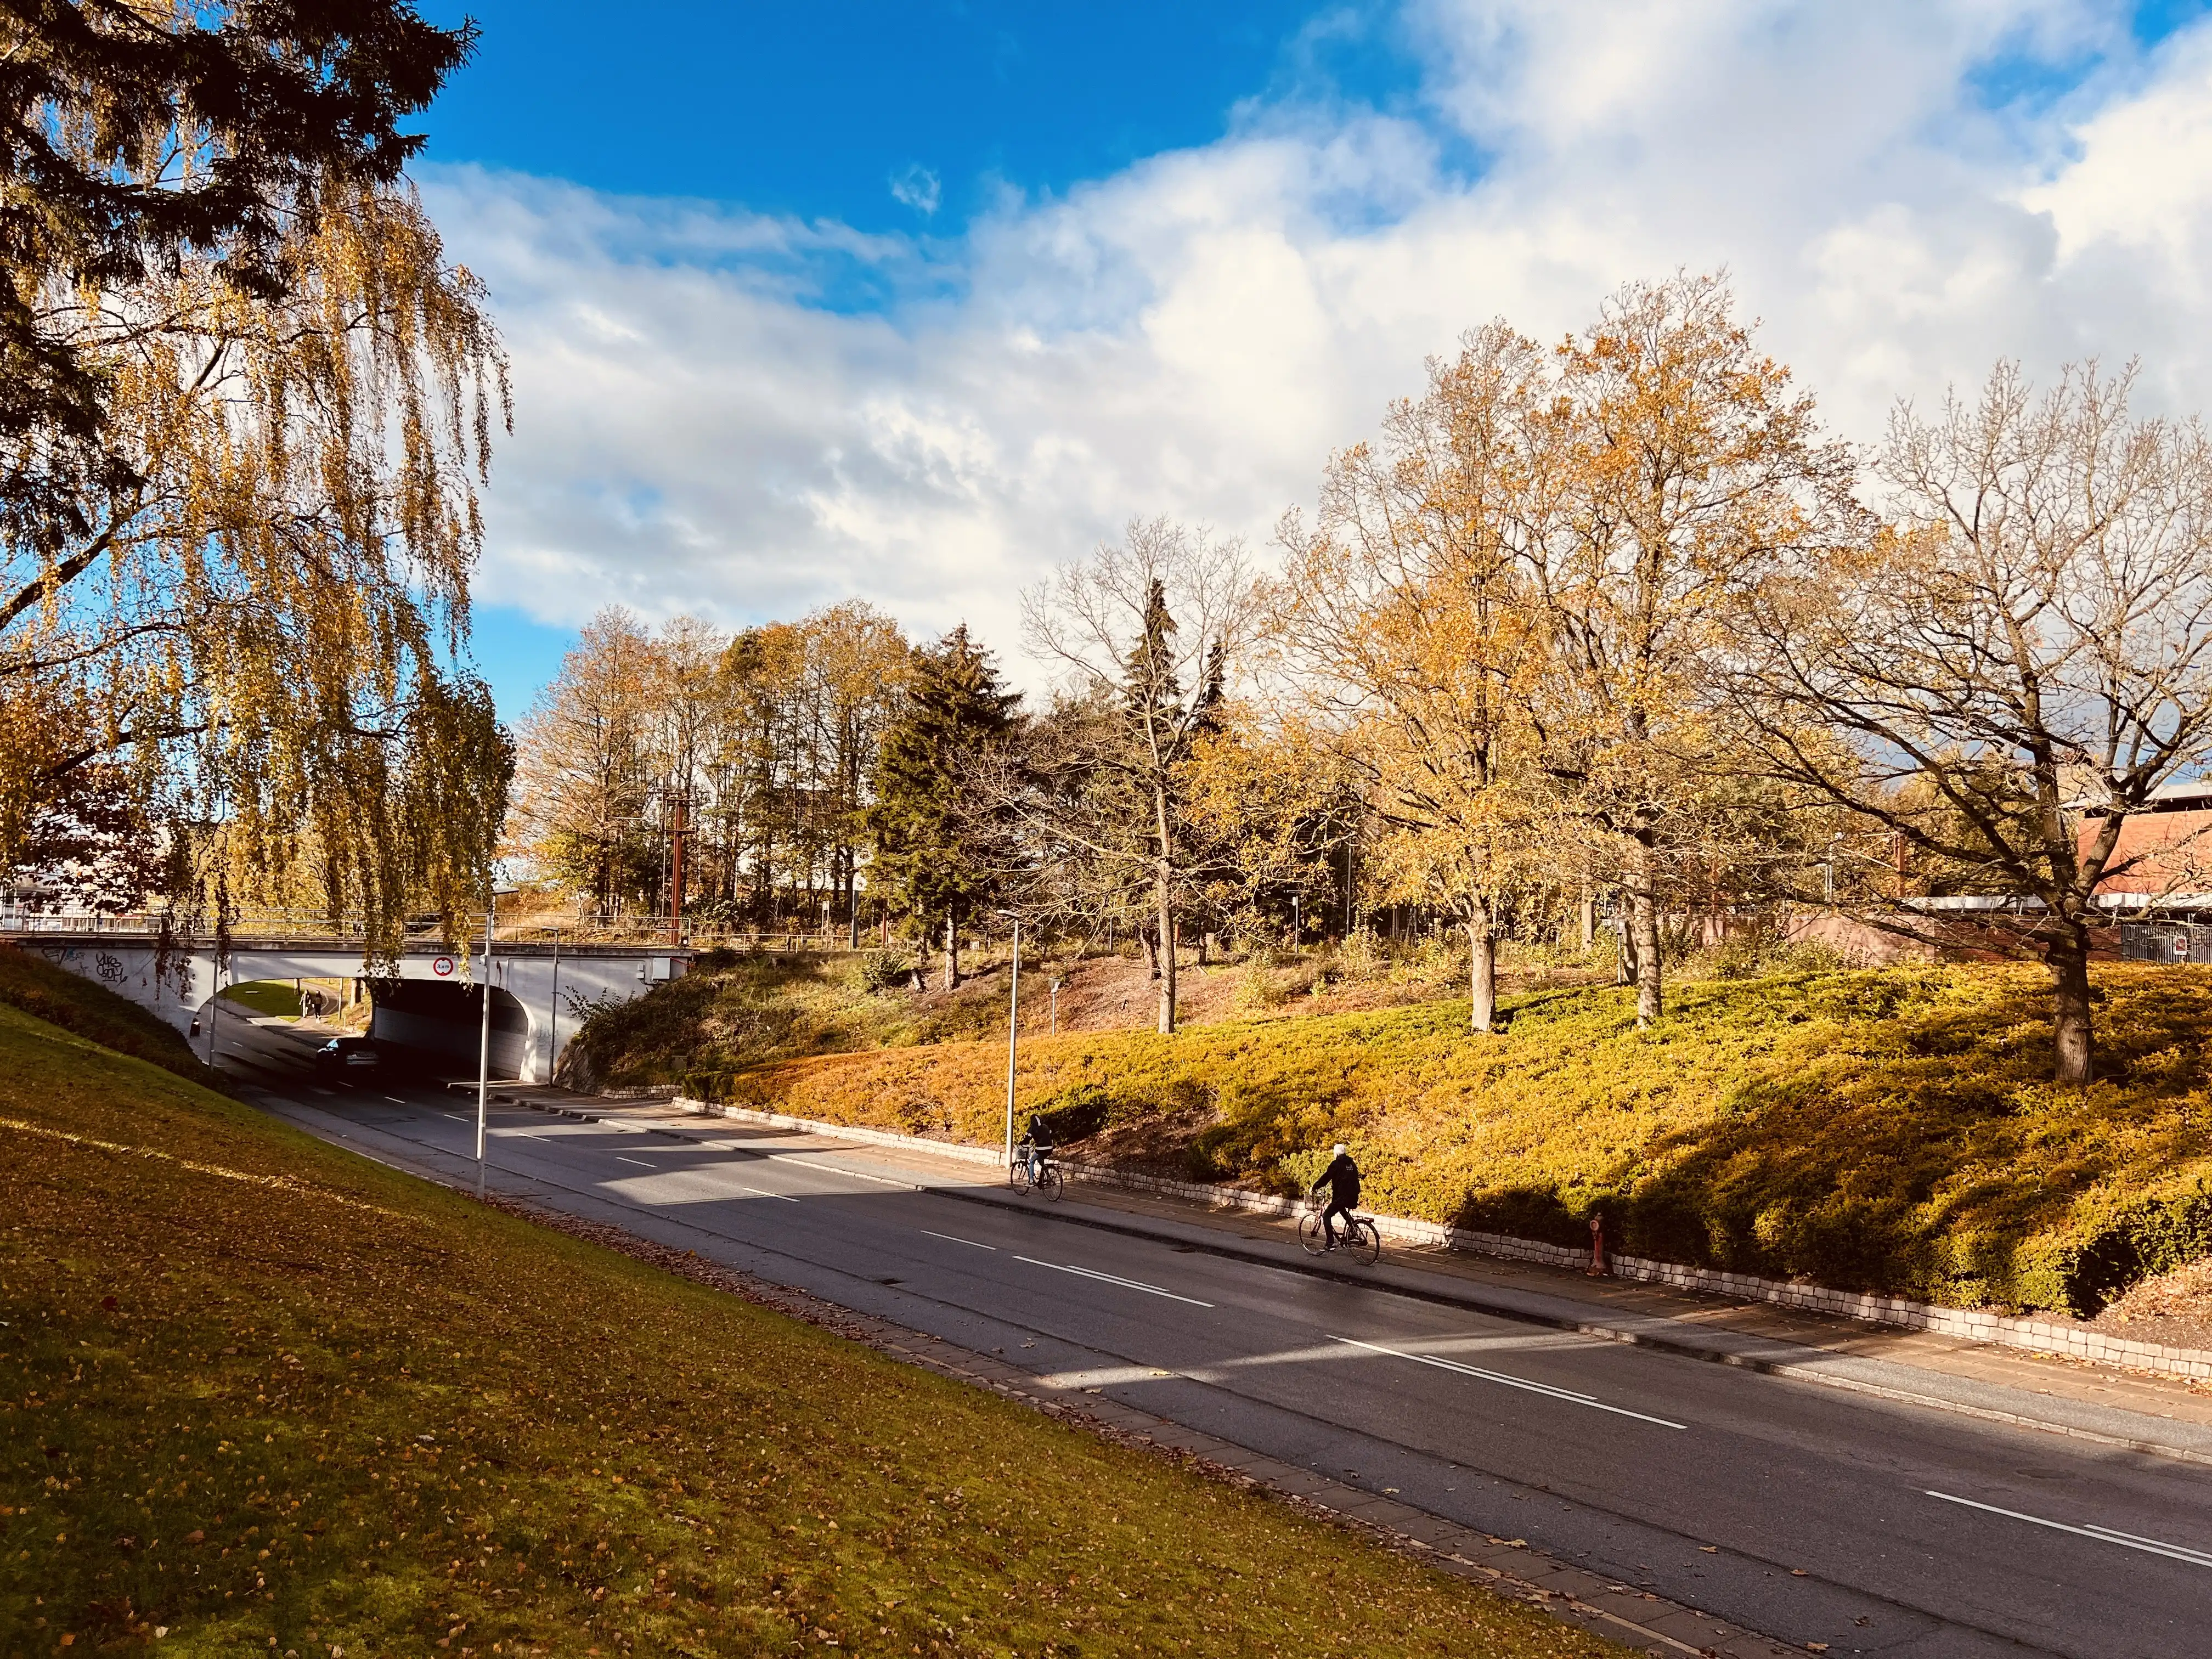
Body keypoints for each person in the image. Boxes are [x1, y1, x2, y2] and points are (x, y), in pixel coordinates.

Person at [1311, 1142, 1361, 1251]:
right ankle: (1354, 1230)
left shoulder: (1336, 1164)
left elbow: (1326, 1177)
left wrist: (1315, 1186)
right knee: (1342, 1209)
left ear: (1336, 1154)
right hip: (1353, 1197)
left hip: (1342, 1197)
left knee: (1326, 1216)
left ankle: (1330, 1243)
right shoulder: (1352, 1163)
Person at [1020, 1111, 1056, 1184]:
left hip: (1041, 1149)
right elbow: (1051, 1136)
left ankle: (1031, 1181)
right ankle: (1048, 1178)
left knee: (1032, 1162)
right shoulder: (1045, 1126)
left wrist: (1022, 1143)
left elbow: (1027, 1139)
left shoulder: (1032, 1128)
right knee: (1040, 1161)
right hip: (1049, 1148)